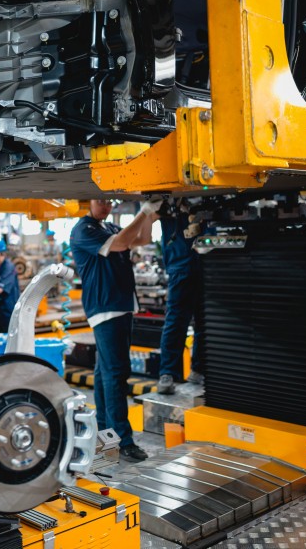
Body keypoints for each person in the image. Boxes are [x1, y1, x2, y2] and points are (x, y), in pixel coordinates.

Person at [70, 198, 159, 463]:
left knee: (104, 371)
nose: (106, 206)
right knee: (116, 372)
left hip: (120, 303)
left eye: (110, 202)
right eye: (101, 201)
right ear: (87, 201)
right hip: (106, 306)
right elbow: (120, 244)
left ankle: (103, 429)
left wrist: (149, 215)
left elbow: (141, 240)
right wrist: (143, 211)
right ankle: (123, 439)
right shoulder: (84, 229)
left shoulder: (108, 226)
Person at [156, 202, 205, 394]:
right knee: (176, 321)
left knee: (206, 320)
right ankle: (167, 373)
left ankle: (199, 369)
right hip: (180, 264)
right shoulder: (168, 200)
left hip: (206, 261)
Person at [0, 237, 20, 334]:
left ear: (0, 254)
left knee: (9, 337)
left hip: (9, 310)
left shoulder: (8, 267)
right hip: (0, 309)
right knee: (1, 334)